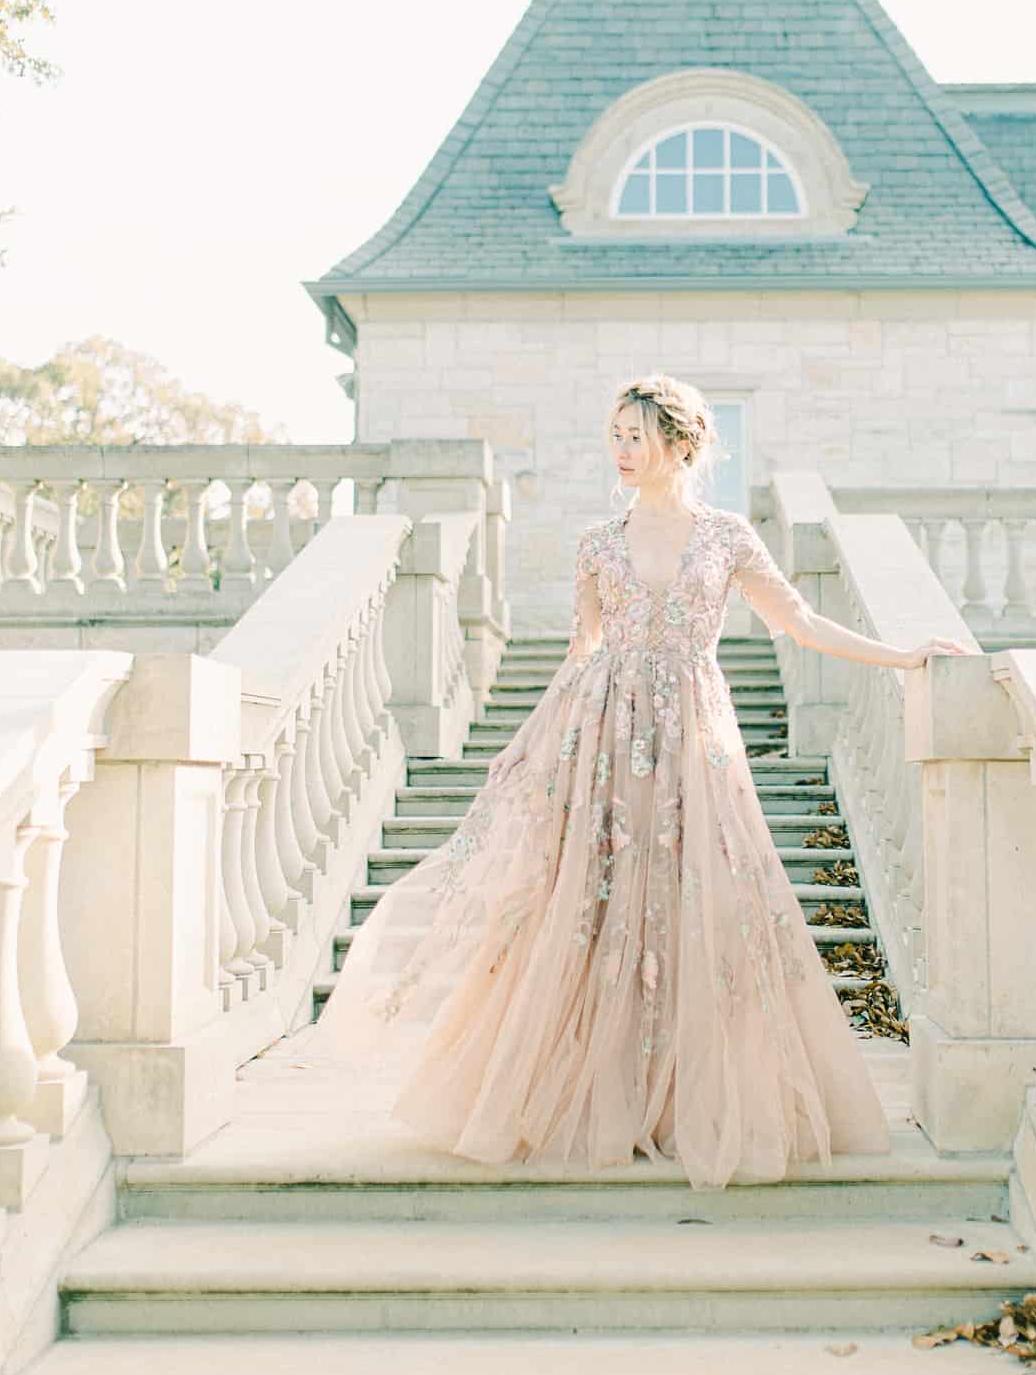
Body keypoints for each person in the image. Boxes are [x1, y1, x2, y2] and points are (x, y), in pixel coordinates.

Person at [307, 374, 968, 1188]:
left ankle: (684, 1097)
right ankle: (603, 1092)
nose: (620, 451)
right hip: (605, 736)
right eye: (614, 435)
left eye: (635, 436)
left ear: (681, 445)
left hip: (696, 737)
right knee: (598, 901)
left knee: (699, 900)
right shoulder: (596, 541)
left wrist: (903, 654)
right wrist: (537, 743)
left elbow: (798, 622)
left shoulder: (726, 538)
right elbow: (582, 649)